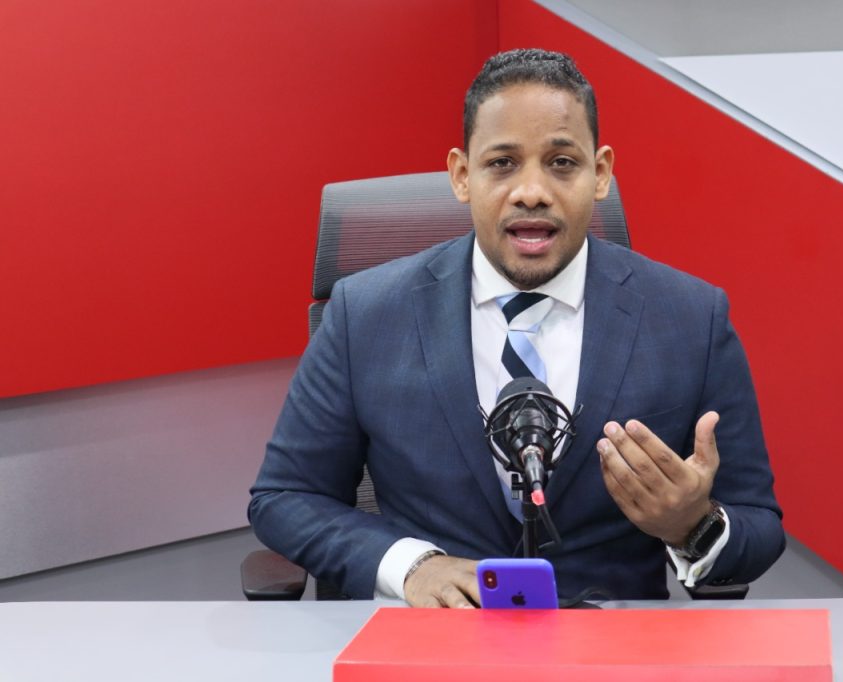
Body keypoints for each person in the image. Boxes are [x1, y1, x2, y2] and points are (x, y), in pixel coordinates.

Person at [249, 49, 784, 607]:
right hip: (434, 637)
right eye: (503, 163)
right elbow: (286, 497)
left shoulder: (691, 318)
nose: (532, 191)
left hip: (611, 639)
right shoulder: (365, 314)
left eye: (562, 162)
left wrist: (692, 525)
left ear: (600, 173)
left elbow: (758, 526)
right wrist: (412, 567)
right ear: (462, 175)